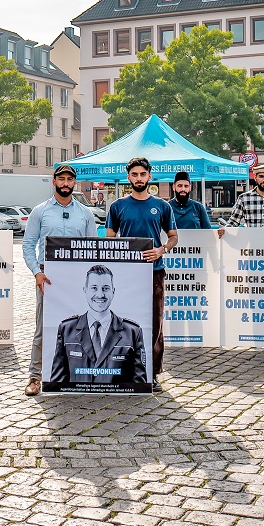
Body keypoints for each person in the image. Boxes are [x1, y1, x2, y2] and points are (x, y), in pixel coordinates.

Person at [22, 164, 97, 395]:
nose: (65, 183)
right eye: (61, 179)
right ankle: (36, 377)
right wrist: (37, 273)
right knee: (43, 328)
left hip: (77, 279)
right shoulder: (40, 211)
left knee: (81, 327)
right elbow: (28, 245)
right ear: (54, 181)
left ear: (74, 183)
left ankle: (79, 375)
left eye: (69, 180)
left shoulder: (85, 213)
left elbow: (93, 247)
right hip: (49, 279)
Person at [106, 156, 177, 392]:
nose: (139, 178)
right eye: (134, 175)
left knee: (155, 322)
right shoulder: (117, 206)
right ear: (129, 177)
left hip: (154, 272)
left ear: (150, 176)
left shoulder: (163, 206)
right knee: (123, 321)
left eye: (142, 174)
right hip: (126, 274)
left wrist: (162, 249)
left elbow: (174, 236)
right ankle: (124, 369)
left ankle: (153, 372)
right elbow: (109, 238)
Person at [49, 264, 148, 385]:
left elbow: (139, 385)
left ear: (113, 291)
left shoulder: (132, 332)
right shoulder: (67, 329)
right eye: (94, 288)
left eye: (105, 288)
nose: (100, 295)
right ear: (85, 290)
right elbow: (57, 382)